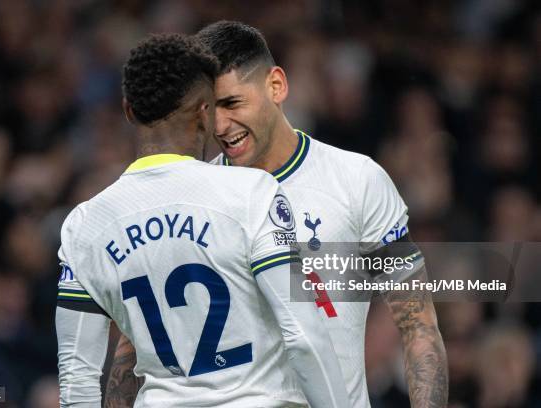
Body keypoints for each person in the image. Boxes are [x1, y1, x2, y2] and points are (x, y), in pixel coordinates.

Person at [106, 22, 448, 408]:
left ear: (276, 86)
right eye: (208, 109)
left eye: (233, 103)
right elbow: (134, 348)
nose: (220, 126)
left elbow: (418, 325)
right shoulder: (186, 204)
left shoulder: (357, 180)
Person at [56, 33, 350, 407]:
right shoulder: (251, 194)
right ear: (204, 112)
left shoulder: (86, 225)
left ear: (129, 110)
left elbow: (77, 378)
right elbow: (304, 336)